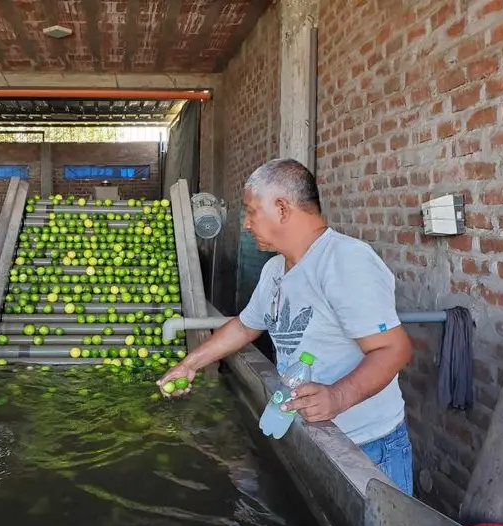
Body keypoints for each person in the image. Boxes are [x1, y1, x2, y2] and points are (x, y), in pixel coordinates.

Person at [157, 158, 415, 494]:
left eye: (251, 211)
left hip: (367, 447)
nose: (247, 224)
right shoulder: (275, 270)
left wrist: (338, 396)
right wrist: (189, 365)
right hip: (314, 437)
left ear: (281, 208)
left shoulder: (345, 261)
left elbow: (394, 349)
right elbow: (245, 327)